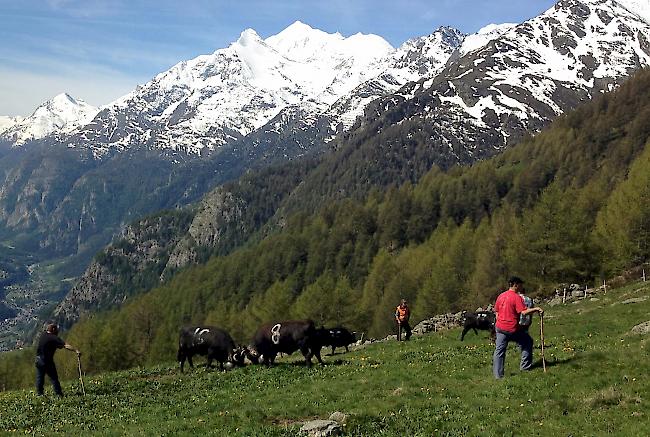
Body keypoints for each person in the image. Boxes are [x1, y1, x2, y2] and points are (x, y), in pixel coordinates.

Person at [492, 277, 543, 379]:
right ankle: (525, 367)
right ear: (516, 285)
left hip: (500, 328)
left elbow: (496, 311)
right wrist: (536, 309)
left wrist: (499, 320)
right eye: (520, 284)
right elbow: (523, 312)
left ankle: (498, 376)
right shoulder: (516, 297)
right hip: (512, 329)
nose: (522, 286)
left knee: (499, 351)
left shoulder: (501, 296)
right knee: (527, 342)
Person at [35, 323, 81, 396]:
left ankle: (39, 394)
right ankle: (59, 394)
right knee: (54, 378)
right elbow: (65, 345)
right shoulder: (53, 338)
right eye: (56, 329)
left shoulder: (43, 335)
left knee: (40, 378)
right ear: (53, 329)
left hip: (38, 360)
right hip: (47, 361)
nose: (57, 331)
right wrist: (76, 350)